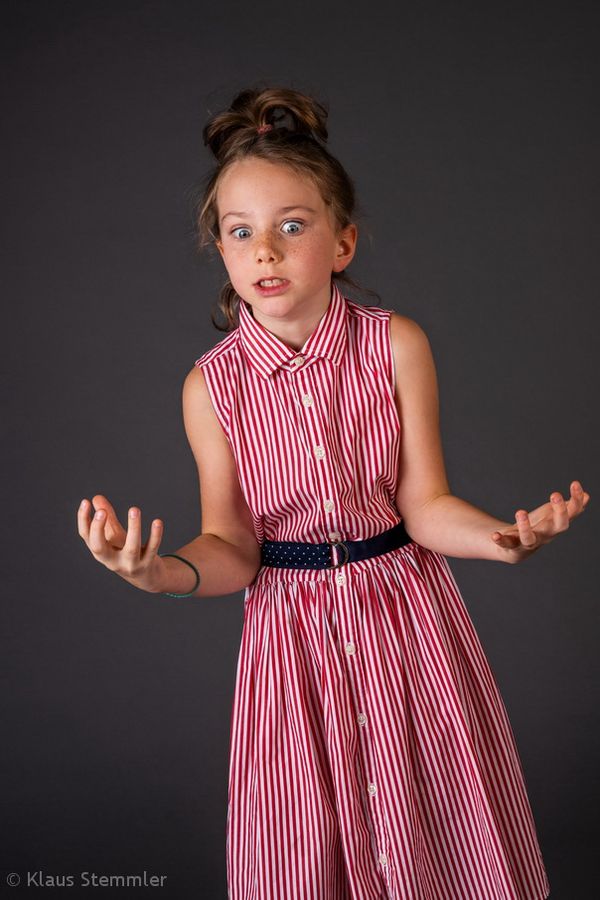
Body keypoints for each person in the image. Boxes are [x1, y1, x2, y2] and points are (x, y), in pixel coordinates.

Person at [77, 85, 589, 899]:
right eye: (240, 232)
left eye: (292, 226)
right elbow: (233, 548)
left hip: (408, 626)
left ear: (342, 242)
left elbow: (425, 506)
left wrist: (502, 539)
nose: (265, 251)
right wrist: (158, 572)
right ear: (221, 251)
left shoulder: (396, 346)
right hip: (291, 648)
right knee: (304, 851)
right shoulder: (210, 389)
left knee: (443, 835)